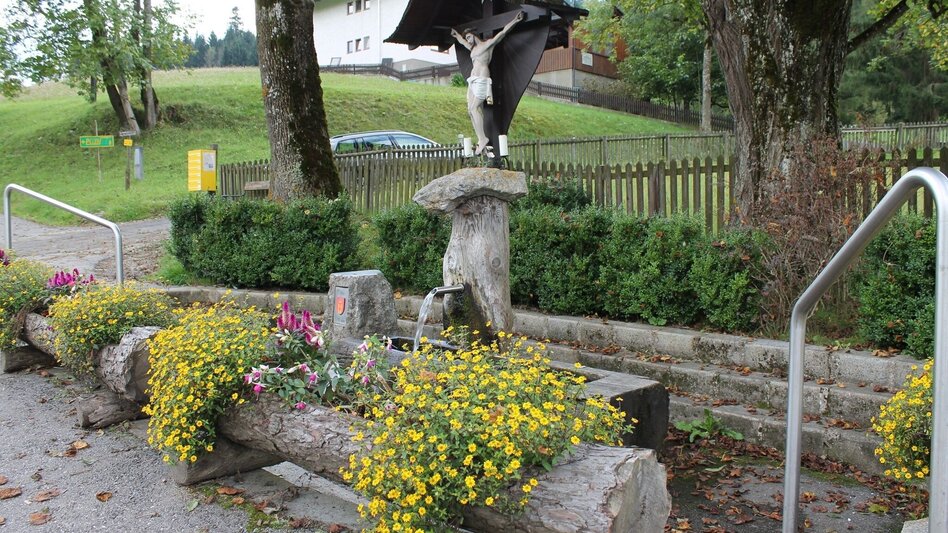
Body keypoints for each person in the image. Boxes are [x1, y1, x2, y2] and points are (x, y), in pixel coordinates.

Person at [451, 10, 525, 156]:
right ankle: (481, 139)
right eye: (467, 38)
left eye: (469, 37)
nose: (468, 40)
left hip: (483, 78)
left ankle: (483, 138)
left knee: (474, 108)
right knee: (470, 110)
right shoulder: (472, 49)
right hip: (472, 80)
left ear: (474, 35)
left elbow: (502, 33)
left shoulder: (487, 45)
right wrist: (457, 35)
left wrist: (515, 21)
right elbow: (462, 42)